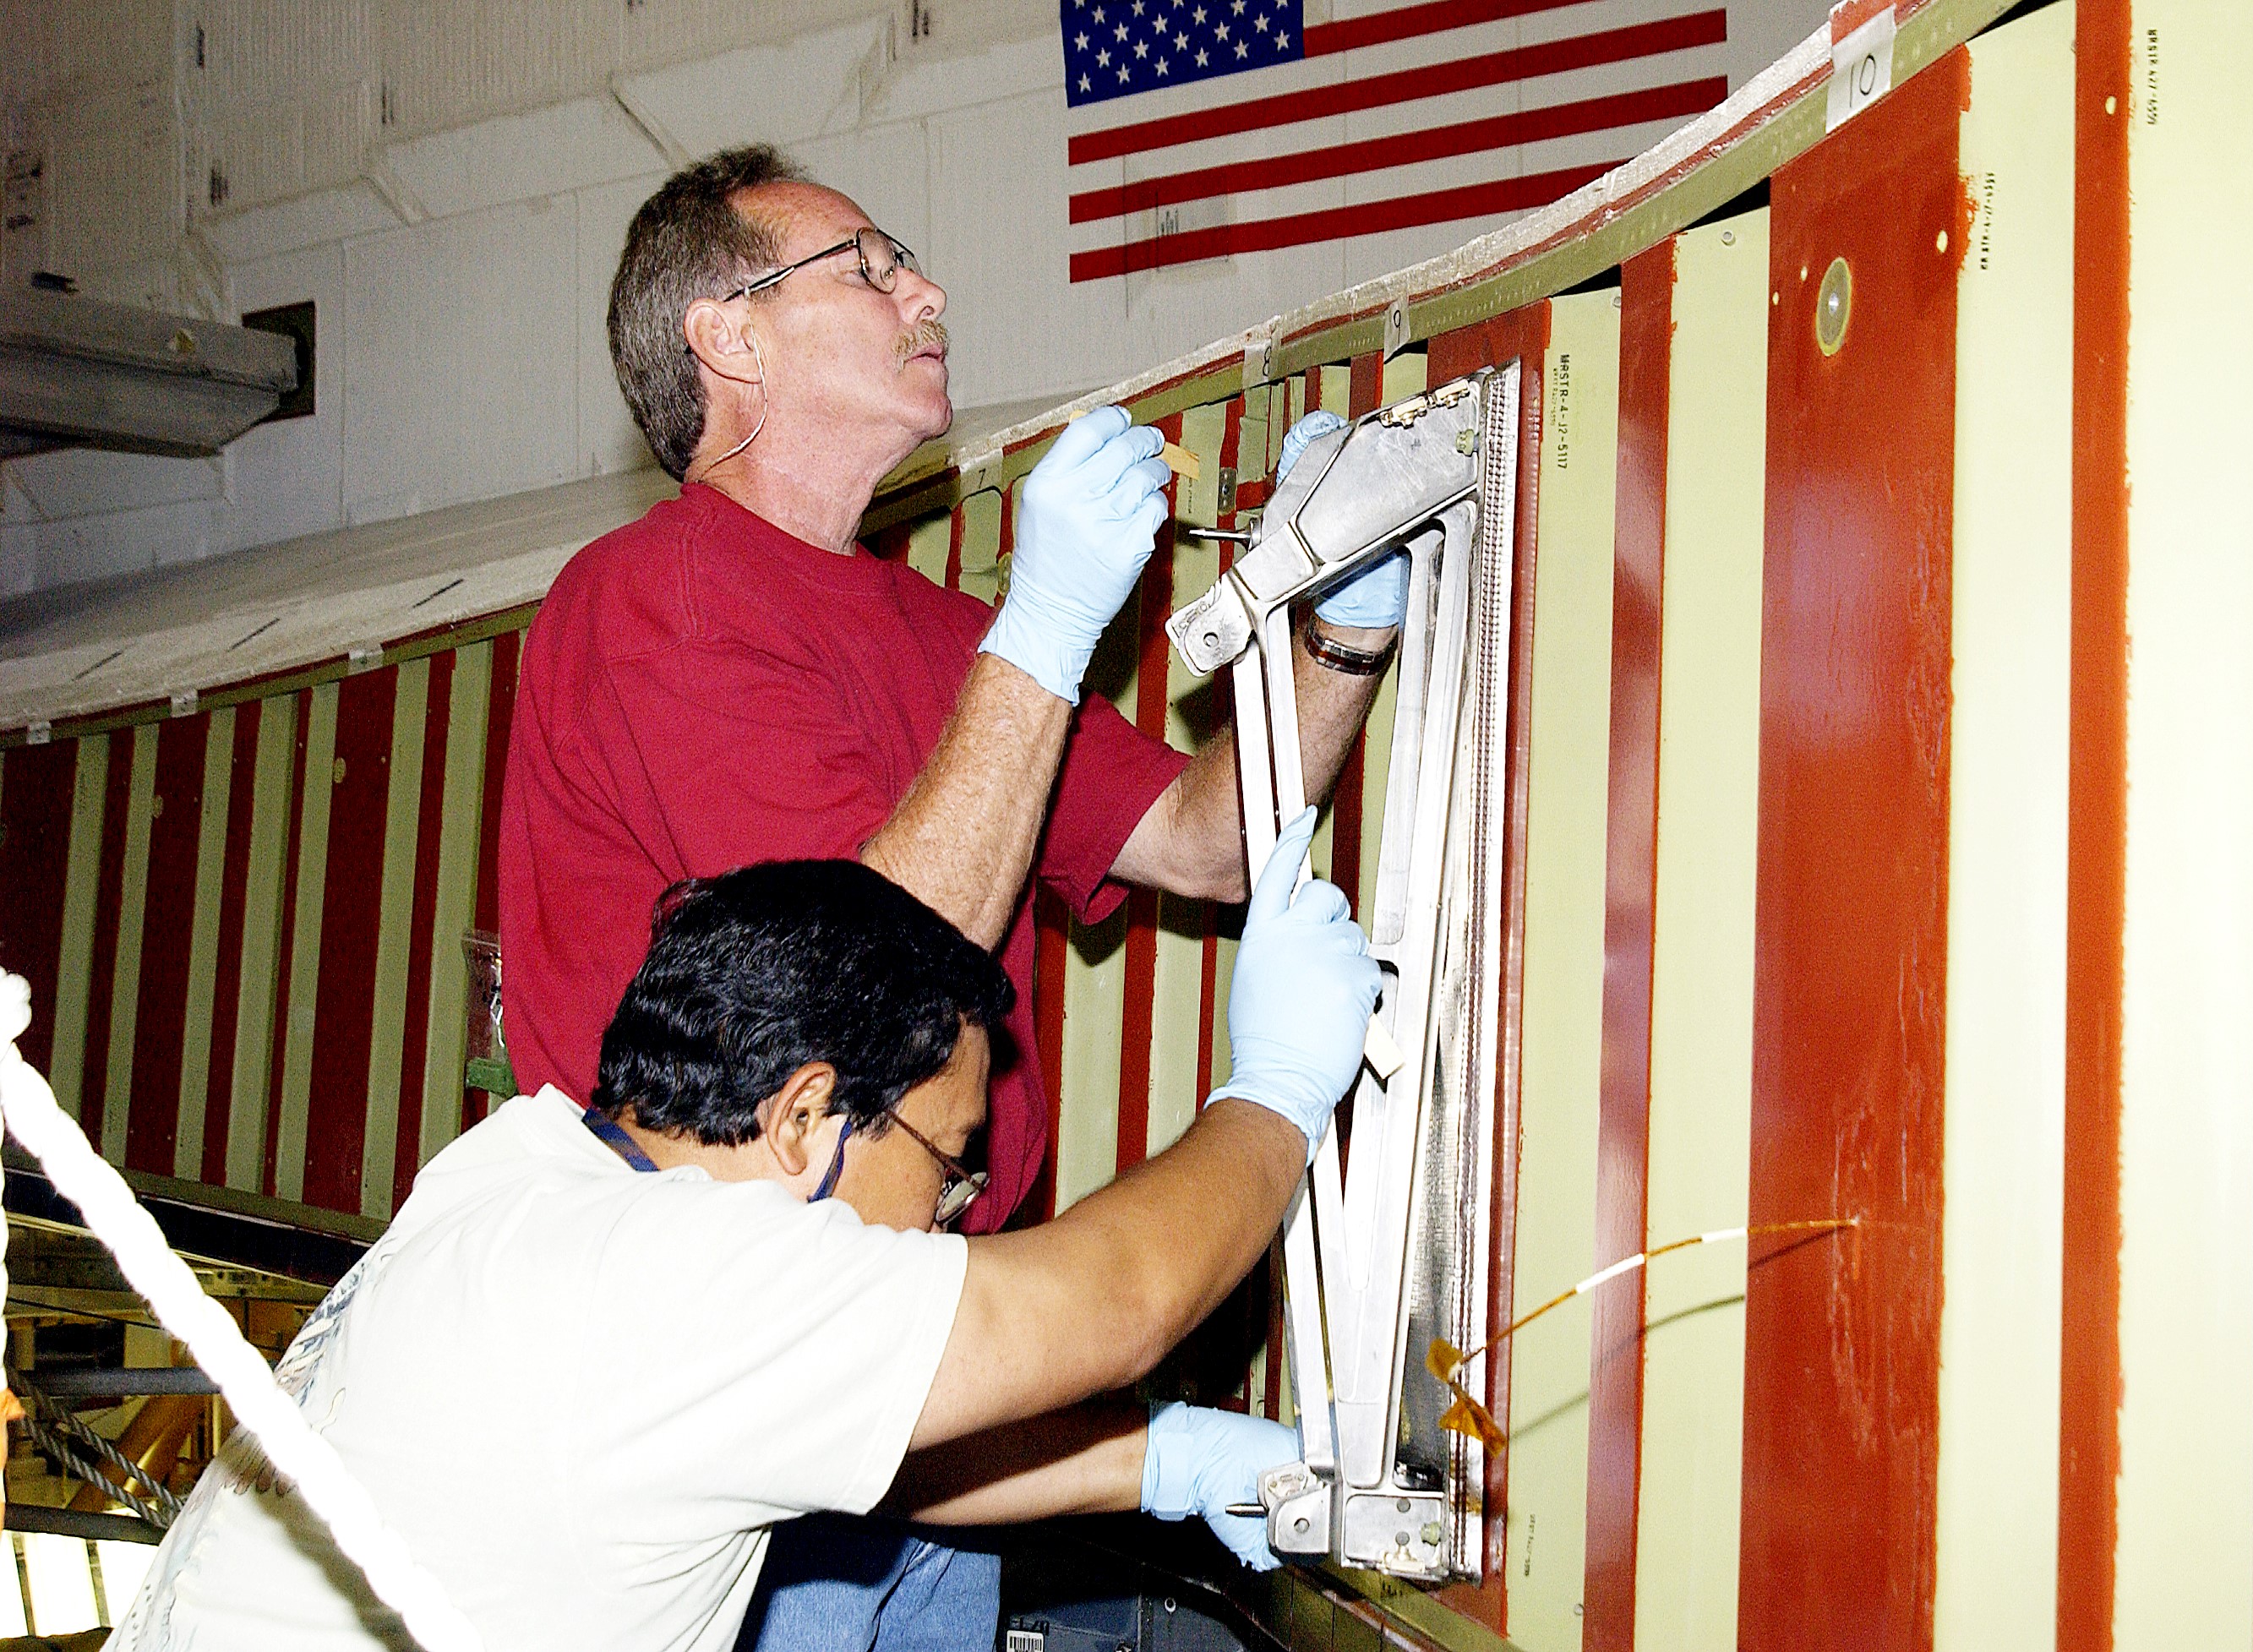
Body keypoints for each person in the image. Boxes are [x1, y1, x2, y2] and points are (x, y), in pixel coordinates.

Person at [106, 815, 1376, 1652]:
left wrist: (1156, 1463)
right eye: (946, 1167)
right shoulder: (675, 1283)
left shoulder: (523, 1172)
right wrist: (1272, 1092)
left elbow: (856, 1431)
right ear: (806, 1117)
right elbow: (1124, 1301)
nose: (950, 1214)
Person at [499, 142, 1397, 1242]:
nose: (925, 294)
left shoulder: (958, 637)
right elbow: (858, 984)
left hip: (913, 1275)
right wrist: (1046, 631)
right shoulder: (652, 597)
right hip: (717, 1286)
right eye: (866, 267)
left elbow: (1204, 841)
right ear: (732, 335)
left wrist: (1341, 629)